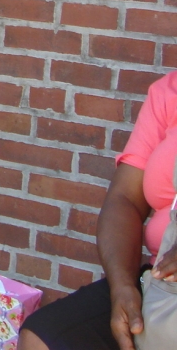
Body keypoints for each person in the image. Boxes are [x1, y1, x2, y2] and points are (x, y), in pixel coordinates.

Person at [20, 72, 177, 350]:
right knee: (45, 337)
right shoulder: (169, 91)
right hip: (162, 284)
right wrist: (123, 288)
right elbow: (124, 199)